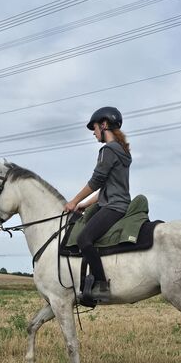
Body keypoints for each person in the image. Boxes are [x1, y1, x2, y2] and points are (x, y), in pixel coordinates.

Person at [64, 106, 132, 303]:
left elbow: (97, 181)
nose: (94, 133)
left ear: (104, 125)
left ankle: (101, 286)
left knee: (84, 238)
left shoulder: (108, 150)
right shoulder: (122, 152)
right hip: (114, 203)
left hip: (113, 207)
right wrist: (85, 204)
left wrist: (73, 202)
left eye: (94, 128)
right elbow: (107, 188)